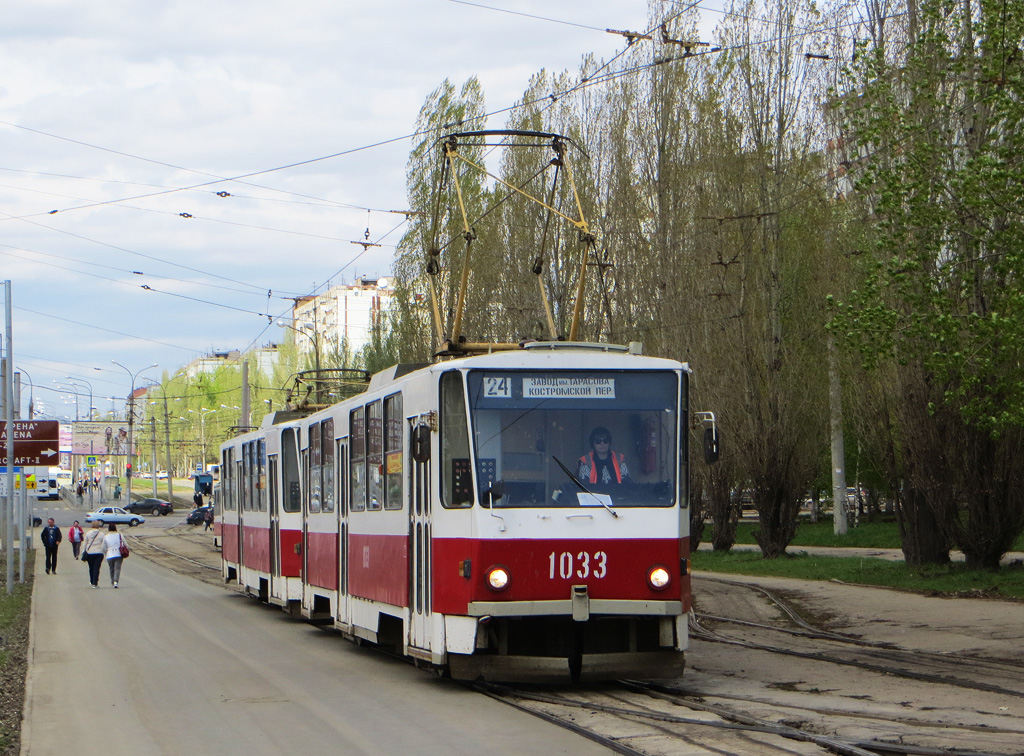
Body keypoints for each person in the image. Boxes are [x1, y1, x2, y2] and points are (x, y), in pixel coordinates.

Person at [81, 522, 106, 587]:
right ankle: (95, 583)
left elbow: (85, 543)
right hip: (99, 552)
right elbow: (104, 544)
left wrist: (84, 551)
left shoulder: (88, 533)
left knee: (91, 567)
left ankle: (91, 581)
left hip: (90, 552)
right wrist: (104, 551)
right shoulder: (102, 534)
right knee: (97, 568)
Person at [103, 523, 126, 588]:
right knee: (117, 569)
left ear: (108, 529)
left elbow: (103, 548)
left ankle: (112, 581)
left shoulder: (106, 537)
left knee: (111, 569)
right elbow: (126, 544)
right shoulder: (120, 535)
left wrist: (106, 553)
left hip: (109, 555)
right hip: (118, 554)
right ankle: (116, 582)